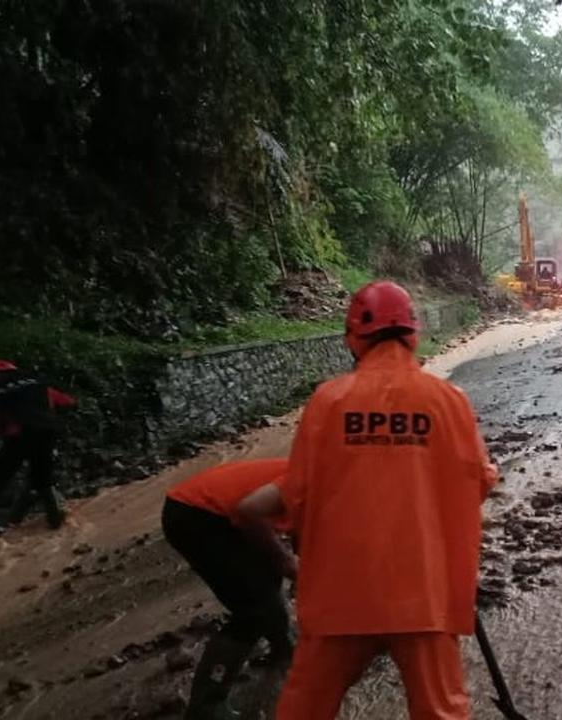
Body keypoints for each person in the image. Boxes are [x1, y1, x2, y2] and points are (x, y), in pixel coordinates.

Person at [237, 280, 498, 720]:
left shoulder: (328, 401)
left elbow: (297, 492)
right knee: (441, 712)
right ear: (413, 334)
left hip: (341, 592)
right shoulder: (449, 400)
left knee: (304, 710)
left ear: (354, 338)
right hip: (424, 592)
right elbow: (483, 480)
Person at [162, 459, 297, 719]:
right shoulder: (314, 482)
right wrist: (285, 560)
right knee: (253, 610)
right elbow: (247, 512)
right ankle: (206, 706)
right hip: (196, 515)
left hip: (214, 509)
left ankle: (283, 647)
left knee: (266, 581)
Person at [0, 360, 75, 537]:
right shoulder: (36, 382)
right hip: (48, 431)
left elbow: (0, 416)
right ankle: (56, 519)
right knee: (43, 478)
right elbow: (68, 402)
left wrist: (7, 433)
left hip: (20, 433)